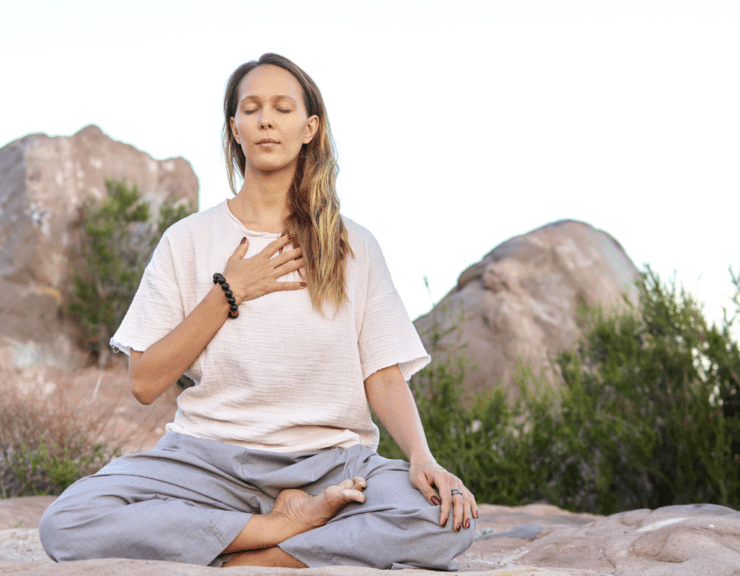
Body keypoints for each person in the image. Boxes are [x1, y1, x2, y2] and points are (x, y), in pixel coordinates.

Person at [39, 53, 478, 570]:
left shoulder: (353, 245)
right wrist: (228, 293)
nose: (266, 119)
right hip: (206, 461)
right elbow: (145, 380)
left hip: (331, 464)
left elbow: (381, 374)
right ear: (235, 127)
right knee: (69, 522)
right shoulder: (187, 240)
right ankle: (280, 528)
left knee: (444, 523)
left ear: (309, 127)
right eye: (251, 109)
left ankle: (266, 556)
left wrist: (423, 459)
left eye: (282, 108)